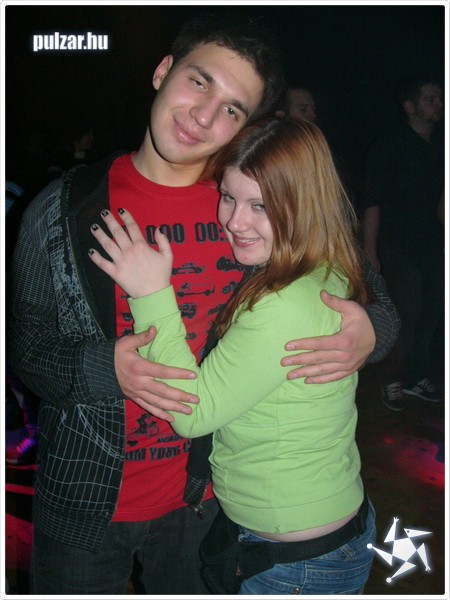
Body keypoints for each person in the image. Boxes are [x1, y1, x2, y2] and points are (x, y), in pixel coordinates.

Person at [9, 14, 396, 595]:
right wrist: (102, 367)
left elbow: (362, 285)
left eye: (233, 109)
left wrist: (373, 331)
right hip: (85, 499)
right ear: (163, 71)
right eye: (198, 81)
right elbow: (26, 344)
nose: (205, 116)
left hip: (210, 505)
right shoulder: (63, 208)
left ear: (249, 124)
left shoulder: (258, 201)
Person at [89, 116, 376, 595]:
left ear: (305, 205)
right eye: (228, 197)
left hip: (297, 560)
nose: (234, 222)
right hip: (318, 530)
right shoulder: (323, 265)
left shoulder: (283, 303)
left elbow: (193, 412)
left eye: (260, 206)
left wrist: (151, 291)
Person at [361, 74, 444, 411]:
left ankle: (414, 377)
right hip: (398, 245)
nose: (439, 105)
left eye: (440, 98)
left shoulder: (441, 146)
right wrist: (370, 249)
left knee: (431, 313)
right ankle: (390, 378)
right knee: (404, 314)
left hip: (435, 245)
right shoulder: (390, 146)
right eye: (430, 99)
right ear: (410, 106)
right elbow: (372, 201)